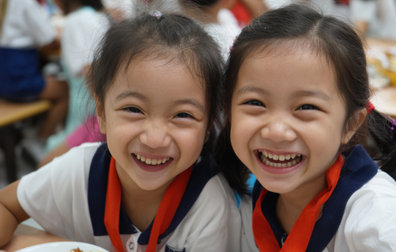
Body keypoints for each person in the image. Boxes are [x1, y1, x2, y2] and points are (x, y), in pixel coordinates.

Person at [0, 13, 242, 251]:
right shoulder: (80, 171)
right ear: (102, 113)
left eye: (182, 115)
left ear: (209, 126)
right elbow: (6, 205)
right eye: (134, 109)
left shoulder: (210, 205)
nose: (154, 139)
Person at [215, 4, 396, 251]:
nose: (277, 131)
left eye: (306, 107)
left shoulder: (380, 222)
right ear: (228, 110)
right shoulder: (238, 192)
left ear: (351, 124)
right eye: (255, 103)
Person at [44, 0, 110, 155]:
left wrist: (104, 109)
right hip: (92, 102)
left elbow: (90, 69)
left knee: (77, 150)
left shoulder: (78, 20)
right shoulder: (93, 17)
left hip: (87, 104)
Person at [0, 0, 69, 143]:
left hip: (5, 78)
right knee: (66, 91)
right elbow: (50, 39)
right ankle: (41, 142)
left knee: (51, 76)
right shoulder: (27, 3)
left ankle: (36, 134)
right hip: (17, 80)